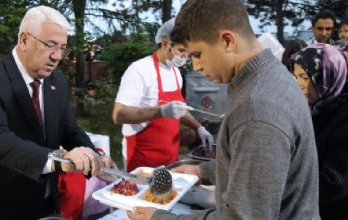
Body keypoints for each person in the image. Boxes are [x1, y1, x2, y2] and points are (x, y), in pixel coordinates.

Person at [127, 0, 320, 219]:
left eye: (197, 55)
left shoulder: (258, 108)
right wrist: (205, 171)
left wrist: (160, 218)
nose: (196, 67)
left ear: (227, 41)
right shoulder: (271, 76)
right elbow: (260, 166)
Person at [0, 6, 115, 220]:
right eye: (50, 45)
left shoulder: (57, 81)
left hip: (44, 202)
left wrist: (94, 158)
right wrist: (61, 159)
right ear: (23, 40)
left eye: (63, 48)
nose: (58, 56)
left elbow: (69, 130)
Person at [112, 18, 213, 172]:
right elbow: (119, 115)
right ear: (166, 44)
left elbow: (179, 109)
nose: (185, 58)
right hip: (142, 160)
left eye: (188, 53)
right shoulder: (139, 70)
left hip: (170, 158)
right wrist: (161, 111)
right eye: (181, 51)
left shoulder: (175, 73)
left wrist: (199, 128)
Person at [292, 45, 348, 220]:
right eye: (295, 77)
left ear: (328, 76)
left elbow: (335, 183)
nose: (298, 84)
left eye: (305, 77)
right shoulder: (318, 109)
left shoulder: (344, 118)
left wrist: (286, 186)